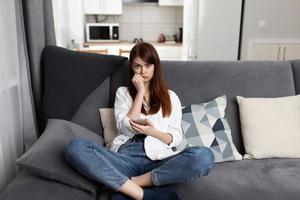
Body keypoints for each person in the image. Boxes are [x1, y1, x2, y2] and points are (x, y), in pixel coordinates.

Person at [65, 42, 215, 200]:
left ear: (155, 66)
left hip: (159, 160)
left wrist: (153, 132)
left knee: (204, 156)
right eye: (138, 66)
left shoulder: (171, 97)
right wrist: (140, 91)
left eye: (147, 65)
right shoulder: (123, 93)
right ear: (132, 68)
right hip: (124, 159)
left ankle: (133, 184)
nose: (143, 71)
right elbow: (124, 126)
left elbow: (176, 137)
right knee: (75, 147)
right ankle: (143, 193)